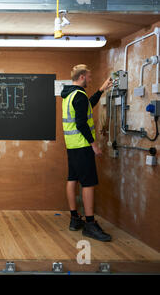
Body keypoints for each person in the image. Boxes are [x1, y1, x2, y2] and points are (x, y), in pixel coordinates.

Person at [61, 64, 113, 242]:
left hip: (72, 145)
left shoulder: (69, 96)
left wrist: (101, 90)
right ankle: (90, 224)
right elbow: (82, 123)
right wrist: (94, 145)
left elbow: (87, 106)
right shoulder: (79, 96)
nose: (90, 80)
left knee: (72, 179)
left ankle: (75, 219)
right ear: (82, 76)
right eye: (89, 77)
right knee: (88, 183)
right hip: (83, 146)